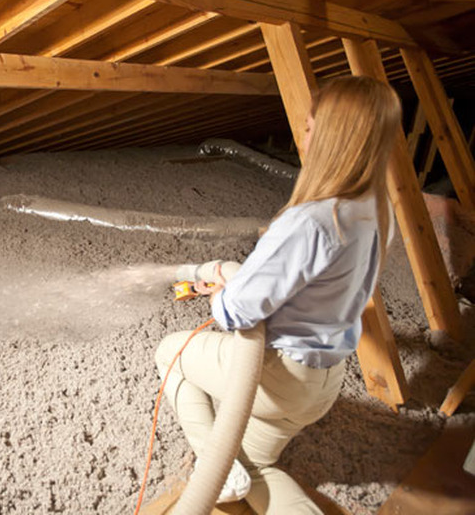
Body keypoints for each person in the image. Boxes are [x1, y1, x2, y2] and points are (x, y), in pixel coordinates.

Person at [155, 76, 401, 514]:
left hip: (280, 375)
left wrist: (224, 292)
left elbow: (236, 313)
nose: (302, 134)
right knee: (253, 467)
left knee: (170, 352)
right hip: (323, 381)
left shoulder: (311, 222)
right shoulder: (377, 210)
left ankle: (215, 470)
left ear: (332, 136)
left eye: (310, 126)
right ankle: (233, 470)